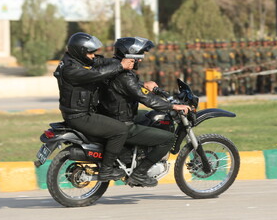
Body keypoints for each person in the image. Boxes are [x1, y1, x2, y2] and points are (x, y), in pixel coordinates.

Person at [98, 37, 191, 187]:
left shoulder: (114, 67)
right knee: (167, 139)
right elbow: (147, 99)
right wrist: (173, 107)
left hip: (114, 115)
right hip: (123, 122)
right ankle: (139, 174)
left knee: (152, 118)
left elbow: (128, 86)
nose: (140, 60)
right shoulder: (125, 76)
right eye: (139, 56)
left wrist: (143, 84)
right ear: (131, 56)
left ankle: (139, 154)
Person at [54, 32, 135, 181]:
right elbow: (97, 74)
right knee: (120, 130)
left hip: (79, 112)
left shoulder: (72, 60)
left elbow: (98, 63)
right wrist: (120, 66)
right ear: (81, 51)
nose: (93, 56)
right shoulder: (71, 70)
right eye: (90, 53)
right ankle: (106, 170)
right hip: (80, 116)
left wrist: (118, 62)